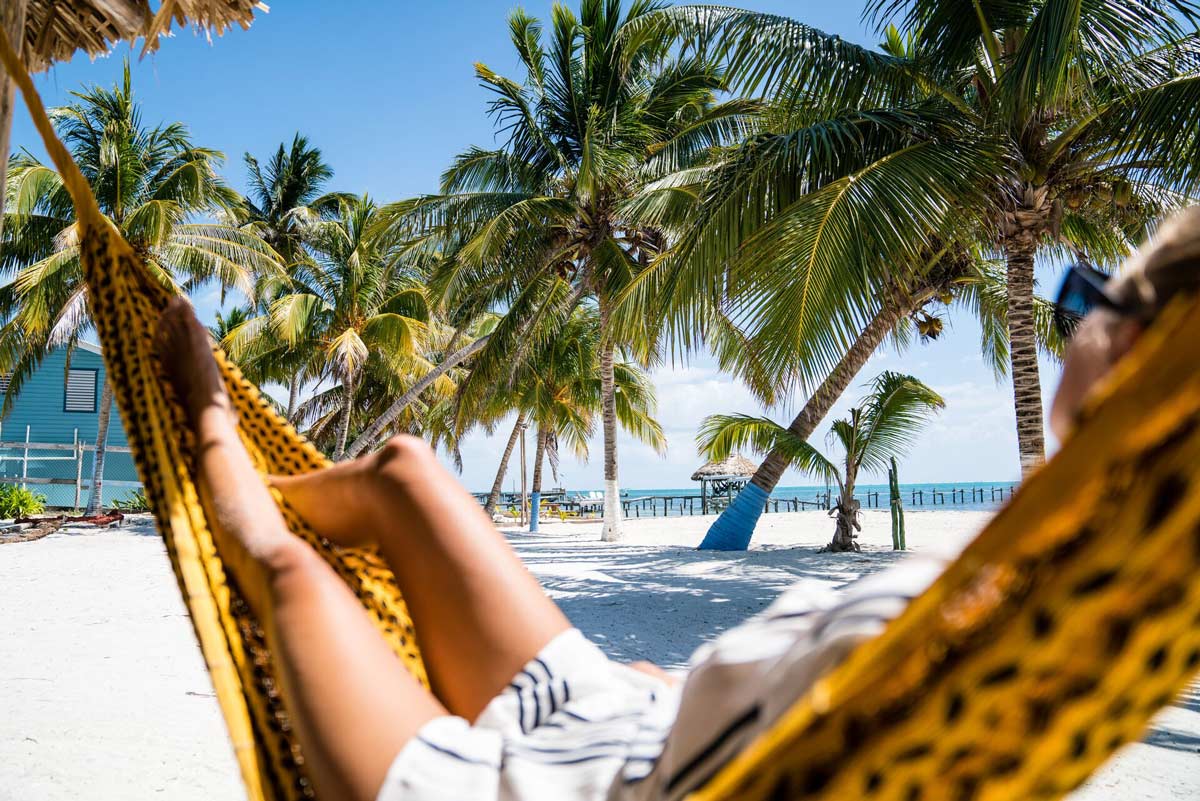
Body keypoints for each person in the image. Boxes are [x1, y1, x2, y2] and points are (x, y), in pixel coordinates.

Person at [154, 206, 1200, 801]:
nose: (1071, 322)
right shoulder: (1074, 591)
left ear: (1155, 360)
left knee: (273, 561)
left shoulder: (1004, 621)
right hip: (633, 724)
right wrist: (689, 693)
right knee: (406, 471)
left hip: (557, 790)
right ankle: (265, 479)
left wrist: (207, 419)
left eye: (1087, 297)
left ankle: (219, 455)